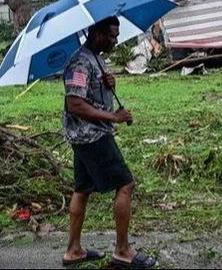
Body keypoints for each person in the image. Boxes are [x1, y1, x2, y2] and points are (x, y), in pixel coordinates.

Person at [61, 16, 157, 269]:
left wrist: (106, 83)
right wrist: (114, 116)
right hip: (91, 137)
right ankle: (123, 250)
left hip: (86, 136)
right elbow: (75, 104)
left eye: (116, 35)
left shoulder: (95, 59)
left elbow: (88, 93)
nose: (115, 40)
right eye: (111, 35)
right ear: (96, 34)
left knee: (82, 190)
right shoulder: (80, 62)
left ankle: (73, 250)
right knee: (125, 184)